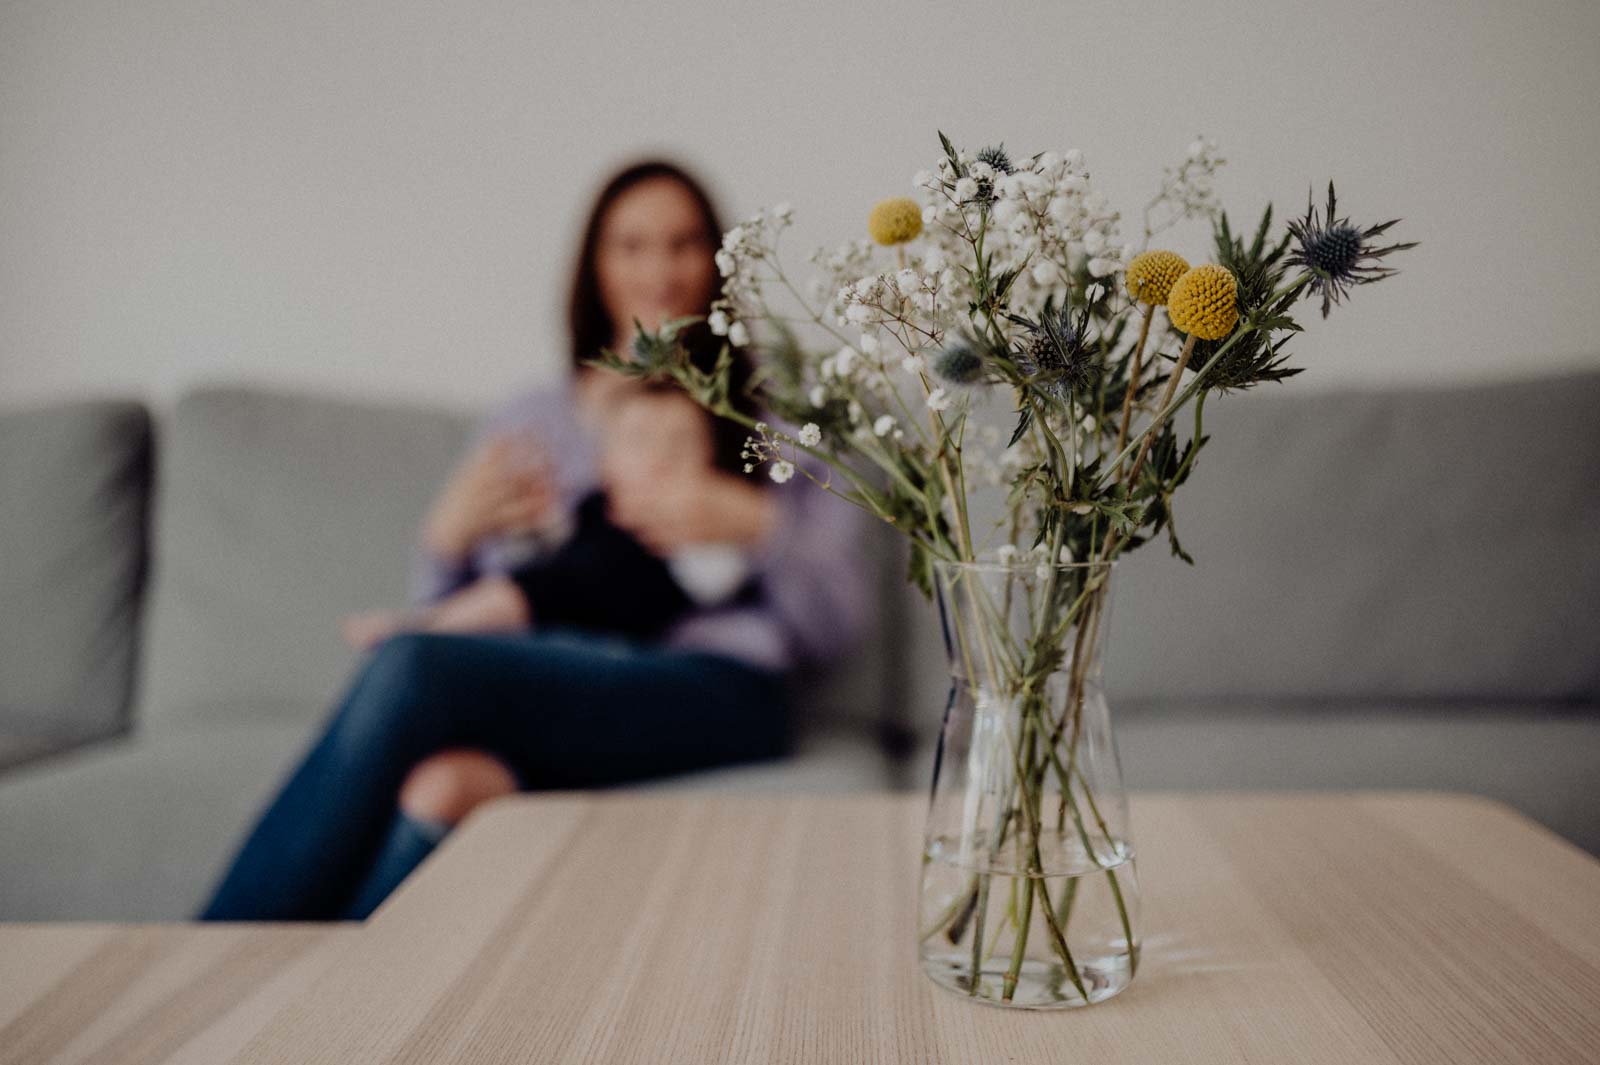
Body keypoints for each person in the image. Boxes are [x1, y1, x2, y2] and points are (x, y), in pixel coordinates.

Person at [198, 160, 872, 921]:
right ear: (595, 266)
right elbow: (461, 629)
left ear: (716, 259)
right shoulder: (533, 419)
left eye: (684, 243)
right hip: (553, 679)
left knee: (413, 661)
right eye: (632, 245)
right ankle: (305, 1002)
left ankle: (214, 954)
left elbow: (837, 626)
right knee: (445, 786)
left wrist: (758, 527)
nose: (660, 267)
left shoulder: (772, 418)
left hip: (715, 685)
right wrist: (443, 539)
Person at [341, 386, 756, 647]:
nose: (661, 456)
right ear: (606, 463)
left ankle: (426, 630)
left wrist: (706, 538)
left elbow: (721, 578)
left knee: (520, 597)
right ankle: (429, 628)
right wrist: (535, 527)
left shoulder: (696, 529)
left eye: (681, 443)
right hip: (553, 606)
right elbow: (556, 545)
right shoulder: (592, 505)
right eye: (640, 440)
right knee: (517, 592)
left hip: (617, 624)